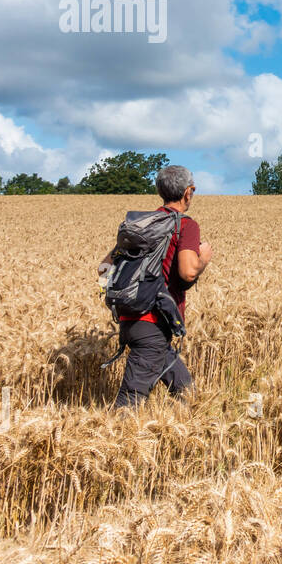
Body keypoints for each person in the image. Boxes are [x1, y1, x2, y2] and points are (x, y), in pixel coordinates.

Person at [106, 165, 213, 407]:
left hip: (130, 319)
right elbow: (187, 272)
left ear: (159, 191)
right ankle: (118, 441)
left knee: (186, 392)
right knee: (129, 403)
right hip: (153, 324)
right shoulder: (185, 225)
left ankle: (188, 435)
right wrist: (203, 258)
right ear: (189, 192)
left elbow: (103, 268)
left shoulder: (141, 225)